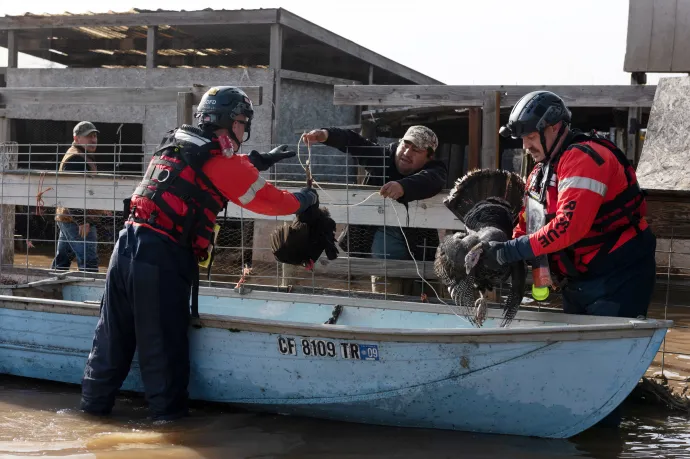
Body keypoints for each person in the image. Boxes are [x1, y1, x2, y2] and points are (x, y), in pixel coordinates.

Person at [79, 86, 317, 420]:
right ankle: (169, 432)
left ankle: (90, 415)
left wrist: (258, 161)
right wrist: (305, 200)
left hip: (125, 249)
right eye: (242, 121)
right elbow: (267, 200)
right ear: (229, 121)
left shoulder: (176, 143)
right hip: (160, 258)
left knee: (109, 344)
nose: (244, 130)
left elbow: (211, 169)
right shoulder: (220, 161)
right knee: (163, 352)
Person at [483, 90, 656, 319]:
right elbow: (528, 225)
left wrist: (508, 251)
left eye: (531, 137)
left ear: (554, 127)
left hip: (618, 276)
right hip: (577, 280)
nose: (525, 146)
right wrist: (496, 251)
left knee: (604, 351)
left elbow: (568, 226)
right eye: (523, 138)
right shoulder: (538, 172)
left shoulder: (584, 159)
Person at [301, 126, 447, 293]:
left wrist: (403, 187)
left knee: (427, 306)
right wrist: (325, 135)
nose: (407, 153)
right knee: (385, 306)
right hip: (383, 262)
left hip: (421, 256)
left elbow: (432, 179)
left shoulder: (436, 169)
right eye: (405, 145)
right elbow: (354, 141)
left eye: (416, 150)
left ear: (428, 157)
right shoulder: (383, 157)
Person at [51, 121, 104, 272]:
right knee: (89, 260)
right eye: (89, 136)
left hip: (68, 217)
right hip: (76, 219)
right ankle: (91, 292)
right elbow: (69, 191)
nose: (93, 140)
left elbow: (86, 188)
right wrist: (82, 220)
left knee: (62, 260)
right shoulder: (76, 158)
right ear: (76, 138)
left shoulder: (82, 155)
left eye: (94, 136)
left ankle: (51, 290)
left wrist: (102, 207)